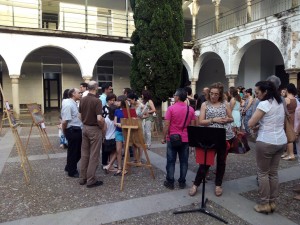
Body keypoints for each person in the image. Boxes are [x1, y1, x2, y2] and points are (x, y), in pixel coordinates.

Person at [189, 82, 234, 197]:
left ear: (220, 95)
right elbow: (201, 121)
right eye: (212, 93)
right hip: (209, 135)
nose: (213, 96)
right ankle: (196, 184)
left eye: (216, 94)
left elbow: (231, 118)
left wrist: (226, 120)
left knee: (221, 162)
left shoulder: (225, 104)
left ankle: (218, 184)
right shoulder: (205, 104)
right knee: (205, 162)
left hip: (222, 135)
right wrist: (214, 119)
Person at [248, 81, 287, 214]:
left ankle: (265, 203)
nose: (256, 95)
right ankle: (273, 202)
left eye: (257, 93)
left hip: (266, 141)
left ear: (265, 92)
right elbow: (275, 121)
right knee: (273, 173)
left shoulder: (264, 104)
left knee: (263, 173)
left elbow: (251, 122)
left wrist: (255, 125)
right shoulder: (280, 102)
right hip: (281, 140)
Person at [161, 88, 196, 190]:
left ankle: (170, 182)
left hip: (172, 138)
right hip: (185, 138)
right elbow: (192, 126)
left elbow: (166, 125)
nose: (174, 97)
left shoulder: (171, 109)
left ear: (177, 97)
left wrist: (164, 137)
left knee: (171, 161)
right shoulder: (191, 109)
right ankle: (182, 182)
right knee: (184, 161)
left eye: (174, 95)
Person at [78, 81, 105, 188]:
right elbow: (99, 118)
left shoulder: (83, 99)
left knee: (84, 154)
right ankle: (91, 180)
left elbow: (79, 116)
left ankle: (82, 178)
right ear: (96, 88)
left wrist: (85, 122)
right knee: (94, 155)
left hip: (84, 128)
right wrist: (102, 126)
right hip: (94, 129)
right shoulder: (97, 101)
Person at [61, 88, 82, 178]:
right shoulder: (68, 104)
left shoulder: (73, 103)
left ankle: (69, 166)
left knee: (77, 152)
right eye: (79, 93)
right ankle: (72, 171)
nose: (80, 94)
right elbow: (65, 121)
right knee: (74, 152)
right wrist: (65, 131)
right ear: (73, 94)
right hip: (72, 130)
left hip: (76, 130)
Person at [282, 83, 297, 161]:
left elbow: (284, 110)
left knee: (288, 136)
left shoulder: (286, 99)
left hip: (287, 118)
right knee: (289, 134)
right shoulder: (294, 98)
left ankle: (291, 154)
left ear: (287, 90)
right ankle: (287, 153)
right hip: (293, 116)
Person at [101, 93, 117, 168]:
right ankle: (104, 162)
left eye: (114, 100)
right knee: (105, 148)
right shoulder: (104, 108)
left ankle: (111, 162)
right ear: (107, 100)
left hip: (112, 129)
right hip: (106, 127)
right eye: (111, 100)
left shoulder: (115, 108)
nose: (112, 102)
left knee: (112, 149)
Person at [114, 95, 128, 176]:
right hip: (118, 131)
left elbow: (130, 121)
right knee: (118, 150)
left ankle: (126, 167)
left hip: (126, 132)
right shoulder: (117, 110)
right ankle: (119, 167)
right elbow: (115, 122)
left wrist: (122, 124)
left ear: (122, 102)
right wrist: (118, 124)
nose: (117, 102)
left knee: (126, 150)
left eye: (118, 101)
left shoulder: (128, 111)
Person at [102, 105, 118, 173]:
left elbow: (104, 129)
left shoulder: (106, 119)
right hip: (114, 137)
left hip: (107, 137)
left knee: (110, 152)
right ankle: (110, 166)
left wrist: (103, 137)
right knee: (115, 152)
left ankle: (110, 164)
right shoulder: (115, 119)